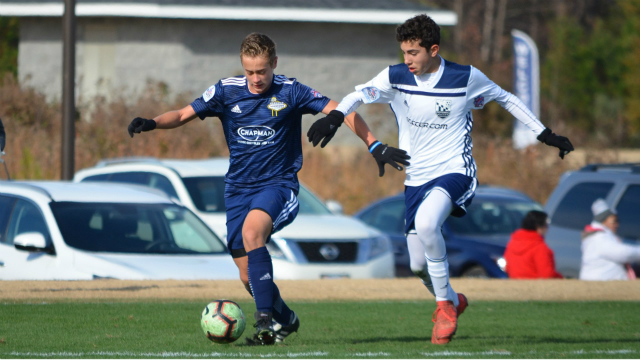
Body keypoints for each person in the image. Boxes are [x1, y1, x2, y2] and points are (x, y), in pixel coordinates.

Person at [307, 14, 574, 344]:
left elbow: (506, 97)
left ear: (433, 50)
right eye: (404, 52)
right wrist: (334, 118)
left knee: (429, 223)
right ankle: (453, 297)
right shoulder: (396, 75)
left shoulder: (465, 77)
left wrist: (544, 134)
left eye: (414, 53)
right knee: (418, 264)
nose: (408, 60)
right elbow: (356, 96)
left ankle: (444, 306)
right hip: (416, 178)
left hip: (455, 170)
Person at [127, 33, 407, 345]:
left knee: (252, 234)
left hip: (278, 185)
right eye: (250, 71)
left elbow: (345, 111)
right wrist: (151, 123)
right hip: (237, 190)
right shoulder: (225, 91)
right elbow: (181, 115)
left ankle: (264, 322)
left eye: (262, 71)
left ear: (274, 63)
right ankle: (286, 319)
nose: (256, 78)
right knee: (248, 277)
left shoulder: (292, 90)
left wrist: (374, 145)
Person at [580, 199, 640, 281]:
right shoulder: (598, 238)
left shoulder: (598, 236)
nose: (617, 224)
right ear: (603, 220)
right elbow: (623, 253)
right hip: (600, 286)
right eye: (614, 221)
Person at [504, 210, 563, 279]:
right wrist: (560, 277)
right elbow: (547, 274)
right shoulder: (539, 247)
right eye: (546, 224)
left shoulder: (512, 243)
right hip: (535, 286)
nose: (547, 228)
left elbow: (507, 268)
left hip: (515, 284)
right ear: (538, 226)